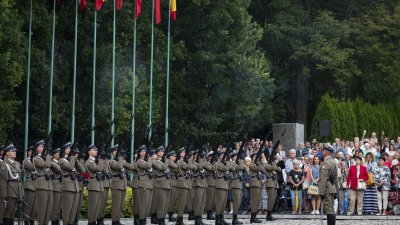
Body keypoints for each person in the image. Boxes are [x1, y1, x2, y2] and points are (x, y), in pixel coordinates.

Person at [109, 145, 132, 225]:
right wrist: (121, 159)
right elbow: (119, 166)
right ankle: (114, 221)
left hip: (123, 185)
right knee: (116, 204)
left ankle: (118, 220)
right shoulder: (111, 161)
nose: (118, 153)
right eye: (116, 151)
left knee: (121, 205)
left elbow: (131, 167)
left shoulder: (122, 161)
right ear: (113, 153)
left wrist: (124, 161)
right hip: (116, 185)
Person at [1, 144, 23, 225]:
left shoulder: (17, 163)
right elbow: (3, 181)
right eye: (12, 151)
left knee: (13, 214)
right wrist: (4, 195)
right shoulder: (4, 164)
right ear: (7, 153)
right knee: (8, 213)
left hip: (17, 191)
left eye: (15, 151)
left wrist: (21, 193)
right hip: (10, 192)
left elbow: (19, 179)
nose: (14, 152)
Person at [33, 140, 54, 225]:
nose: (43, 148)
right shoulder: (36, 158)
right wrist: (48, 155)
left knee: (48, 209)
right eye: (41, 146)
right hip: (41, 185)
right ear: (37, 149)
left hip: (49, 185)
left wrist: (47, 156)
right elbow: (47, 165)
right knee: (42, 209)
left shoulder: (45, 158)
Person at [85, 145, 107, 225]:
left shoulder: (96, 162)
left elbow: (105, 171)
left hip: (99, 186)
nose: (96, 151)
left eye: (96, 150)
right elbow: (98, 169)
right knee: (93, 207)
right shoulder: (88, 162)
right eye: (94, 150)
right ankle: (91, 223)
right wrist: (101, 160)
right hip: (94, 187)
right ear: (89, 152)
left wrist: (104, 159)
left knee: (98, 208)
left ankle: (94, 222)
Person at [59, 142, 80, 225]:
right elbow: (71, 168)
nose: (70, 149)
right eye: (68, 148)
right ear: (65, 150)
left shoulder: (72, 159)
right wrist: (73, 158)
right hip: (67, 186)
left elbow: (83, 171)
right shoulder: (61, 160)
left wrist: (77, 162)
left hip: (75, 186)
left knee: (74, 209)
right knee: (67, 209)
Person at [318, 145, 338, 225]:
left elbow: (323, 180)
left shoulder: (325, 163)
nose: (322, 152)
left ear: (326, 152)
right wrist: (336, 190)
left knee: (329, 210)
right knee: (331, 209)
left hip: (327, 188)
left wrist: (321, 193)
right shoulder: (333, 162)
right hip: (332, 188)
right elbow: (336, 179)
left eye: (323, 150)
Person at [174, 147, 194, 225]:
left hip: (186, 183)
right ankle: (179, 219)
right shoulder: (179, 162)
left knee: (184, 202)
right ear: (180, 154)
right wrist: (189, 159)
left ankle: (180, 219)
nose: (184, 153)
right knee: (182, 202)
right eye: (183, 152)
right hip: (182, 183)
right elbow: (189, 167)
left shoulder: (183, 161)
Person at [135, 145, 154, 225]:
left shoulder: (146, 161)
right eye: (143, 151)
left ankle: (144, 220)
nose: (144, 152)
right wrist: (150, 158)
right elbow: (148, 166)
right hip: (144, 185)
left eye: (145, 151)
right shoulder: (139, 161)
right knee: (143, 204)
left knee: (148, 205)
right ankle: (141, 220)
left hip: (149, 184)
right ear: (140, 153)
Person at [213, 151, 231, 225]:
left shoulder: (223, 164)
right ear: (219, 156)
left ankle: (221, 218)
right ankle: (217, 220)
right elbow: (226, 168)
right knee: (219, 203)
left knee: (223, 204)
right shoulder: (217, 164)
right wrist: (229, 161)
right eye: (223, 155)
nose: (225, 157)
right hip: (220, 185)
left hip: (225, 185)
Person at [192, 150, 208, 225]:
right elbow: (200, 167)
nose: (203, 157)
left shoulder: (203, 162)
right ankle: (196, 219)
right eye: (202, 156)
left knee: (202, 203)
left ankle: (200, 218)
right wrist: (201, 159)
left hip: (204, 184)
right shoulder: (194, 163)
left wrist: (203, 160)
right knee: (198, 203)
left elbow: (210, 168)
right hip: (198, 184)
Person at [248, 153, 264, 223]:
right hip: (255, 184)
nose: (256, 158)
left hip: (259, 184)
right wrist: (259, 162)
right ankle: (252, 217)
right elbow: (261, 169)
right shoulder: (251, 165)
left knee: (257, 201)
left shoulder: (257, 164)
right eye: (254, 157)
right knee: (254, 202)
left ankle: (254, 216)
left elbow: (263, 170)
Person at [229, 151, 245, 225]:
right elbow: (240, 167)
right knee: (236, 201)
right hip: (235, 185)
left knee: (238, 202)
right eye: (235, 157)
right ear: (233, 158)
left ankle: (235, 218)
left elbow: (244, 170)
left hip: (239, 185)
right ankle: (234, 220)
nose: (237, 158)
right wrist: (241, 161)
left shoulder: (238, 164)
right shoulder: (232, 164)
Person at [264, 153, 280, 221]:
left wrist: (274, 164)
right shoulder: (266, 165)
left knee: (273, 200)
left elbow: (279, 169)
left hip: (274, 183)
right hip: (270, 183)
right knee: (270, 200)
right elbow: (274, 168)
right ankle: (268, 215)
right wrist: (273, 162)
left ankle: (270, 214)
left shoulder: (272, 165)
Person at [22, 146, 36, 225]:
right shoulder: (26, 161)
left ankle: (32, 222)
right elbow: (33, 168)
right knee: (28, 207)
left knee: (34, 208)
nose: (32, 153)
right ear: (28, 152)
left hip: (36, 185)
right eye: (31, 151)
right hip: (29, 185)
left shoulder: (34, 160)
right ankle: (26, 222)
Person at [50, 148, 62, 225]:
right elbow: (60, 170)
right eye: (58, 153)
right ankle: (54, 222)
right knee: (55, 207)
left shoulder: (59, 163)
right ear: (54, 155)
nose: (59, 155)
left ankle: (57, 221)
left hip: (60, 187)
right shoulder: (52, 163)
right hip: (55, 187)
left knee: (59, 207)